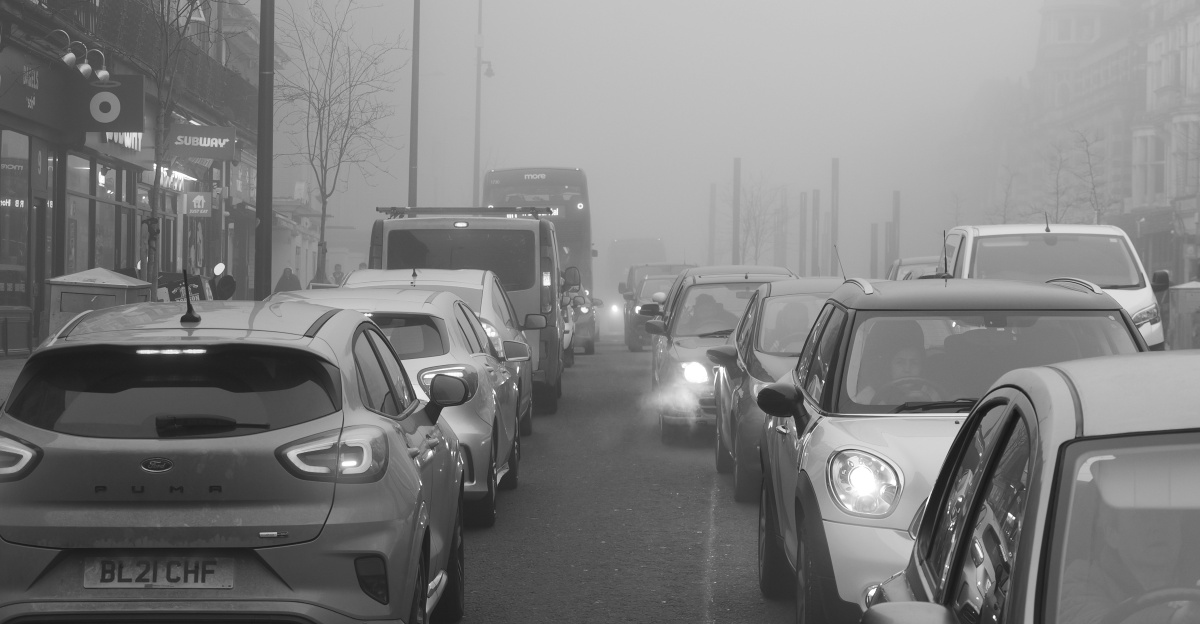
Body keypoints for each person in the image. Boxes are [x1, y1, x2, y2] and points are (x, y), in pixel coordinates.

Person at [1059, 502, 1200, 624]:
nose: (1156, 526)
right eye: (1142, 517)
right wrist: (1177, 618)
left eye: (1165, 514)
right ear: (1112, 535)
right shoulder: (1083, 580)